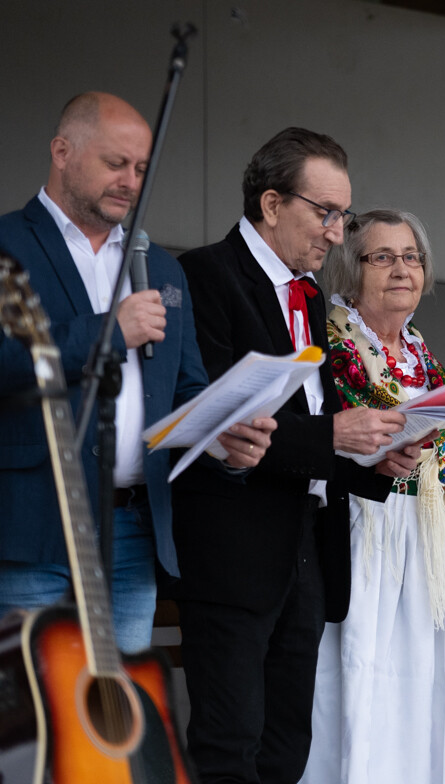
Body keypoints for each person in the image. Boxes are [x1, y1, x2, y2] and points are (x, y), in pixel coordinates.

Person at [174, 128, 422, 784]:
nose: (337, 233)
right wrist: (336, 437)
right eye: (327, 213)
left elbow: (310, 421)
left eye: (342, 214)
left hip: (308, 543)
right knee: (230, 745)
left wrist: (368, 462)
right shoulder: (204, 274)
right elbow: (220, 422)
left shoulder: (308, 295)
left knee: (288, 747)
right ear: (273, 203)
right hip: (234, 546)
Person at [0, 92, 273, 653]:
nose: (130, 180)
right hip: (31, 530)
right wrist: (106, 334)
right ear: (61, 152)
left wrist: (224, 437)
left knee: (115, 724)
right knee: (30, 722)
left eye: (142, 168)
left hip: (132, 532)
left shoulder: (161, 266)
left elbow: (187, 387)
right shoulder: (8, 246)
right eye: (115, 163)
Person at [300, 210, 445, 782]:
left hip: (430, 533)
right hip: (365, 530)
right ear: (349, 266)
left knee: (429, 682)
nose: (402, 269)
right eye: (382, 257)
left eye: (411, 256)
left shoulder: (417, 348)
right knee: (372, 673)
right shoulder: (330, 339)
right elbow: (323, 433)